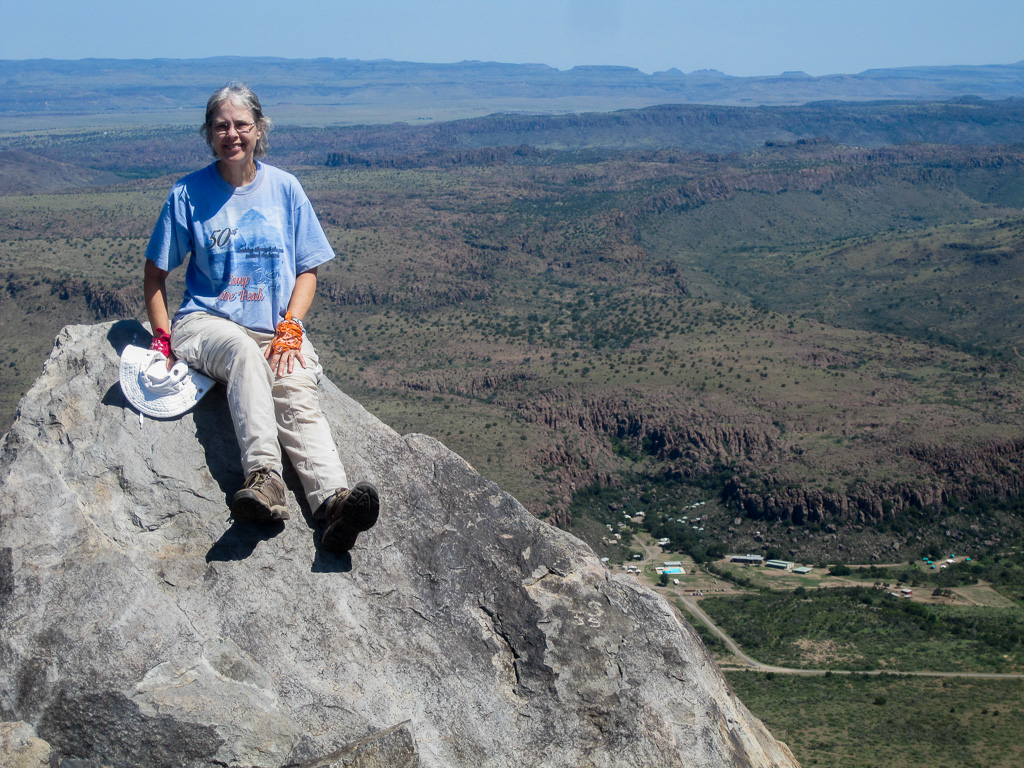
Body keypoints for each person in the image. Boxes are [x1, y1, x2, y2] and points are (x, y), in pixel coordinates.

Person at [143, 82, 379, 553]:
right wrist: (163, 336)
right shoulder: (187, 193)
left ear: (259, 129)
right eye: (221, 126)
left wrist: (291, 328)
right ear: (209, 134)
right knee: (244, 358)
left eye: (241, 125)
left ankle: (333, 506)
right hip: (208, 322)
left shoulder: (285, 188)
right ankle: (265, 478)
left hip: (275, 325)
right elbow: (155, 273)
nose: (232, 134)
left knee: (294, 386)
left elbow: (307, 269)